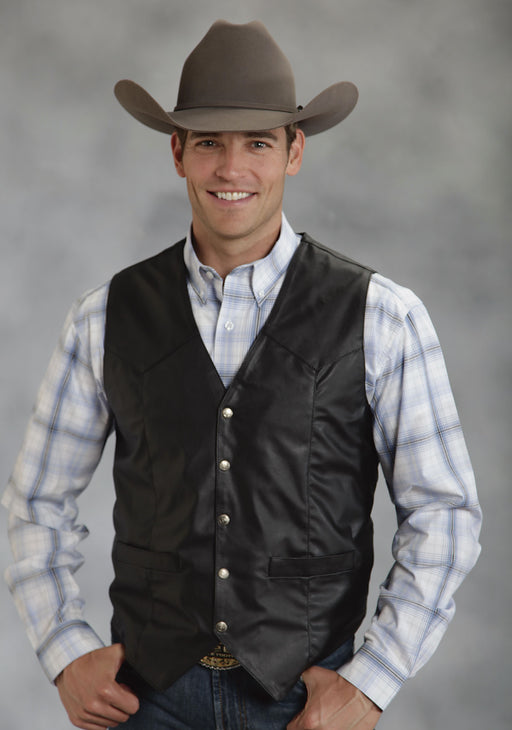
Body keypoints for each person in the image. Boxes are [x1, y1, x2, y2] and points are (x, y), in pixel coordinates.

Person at [3, 19, 481, 730]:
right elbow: (35, 504)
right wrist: (65, 651)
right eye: (208, 143)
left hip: (304, 705)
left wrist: (371, 682)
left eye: (257, 142)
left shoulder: (383, 317)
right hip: (149, 702)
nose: (231, 169)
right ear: (177, 153)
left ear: (294, 152)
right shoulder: (104, 317)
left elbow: (445, 514)